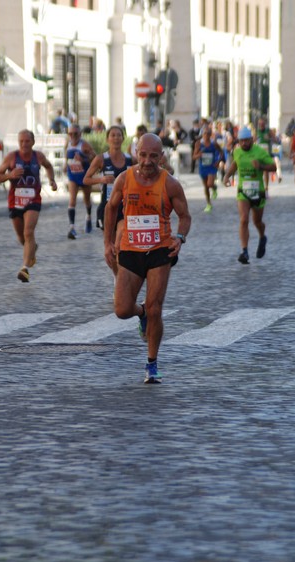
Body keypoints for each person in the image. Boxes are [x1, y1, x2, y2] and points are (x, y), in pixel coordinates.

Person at [104, 133, 191, 384]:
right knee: (121, 310)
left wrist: (180, 237)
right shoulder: (125, 179)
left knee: (156, 308)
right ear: (136, 154)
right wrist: (108, 243)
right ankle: (140, 312)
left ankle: (151, 364)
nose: (148, 161)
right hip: (130, 250)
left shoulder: (170, 184)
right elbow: (111, 208)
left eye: (154, 156)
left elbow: (185, 216)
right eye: (143, 155)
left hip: (160, 251)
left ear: (161, 157)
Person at [0, 129, 57, 282]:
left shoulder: (38, 156)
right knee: (22, 238)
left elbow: (49, 166)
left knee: (29, 232)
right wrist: (10, 175)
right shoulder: (11, 157)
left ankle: (24, 269)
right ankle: (32, 250)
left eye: (27, 141)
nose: (24, 144)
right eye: (21, 141)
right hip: (15, 201)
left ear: (33, 142)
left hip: (33, 200)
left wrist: (52, 181)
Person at [83, 125, 134, 279]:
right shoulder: (101, 159)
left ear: (123, 138)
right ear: (107, 139)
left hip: (125, 208)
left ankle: (120, 283)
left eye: (119, 135)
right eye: (113, 135)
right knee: (110, 248)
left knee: (119, 244)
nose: (116, 138)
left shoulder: (131, 159)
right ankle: (117, 278)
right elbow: (86, 179)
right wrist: (101, 179)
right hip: (107, 208)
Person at [223, 126, 276, 265]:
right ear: (239, 141)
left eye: (247, 140)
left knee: (257, 222)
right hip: (243, 192)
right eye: (242, 141)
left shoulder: (260, 152)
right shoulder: (237, 151)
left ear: (252, 139)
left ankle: (262, 237)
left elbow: (274, 167)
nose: (244, 143)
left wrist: (261, 167)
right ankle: (244, 251)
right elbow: (235, 163)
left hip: (258, 192)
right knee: (244, 220)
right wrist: (227, 175)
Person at [64, 124, 96, 239]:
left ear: (80, 134)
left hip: (84, 176)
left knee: (86, 199)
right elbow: (66, 156)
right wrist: (65, 165)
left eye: (75, 133)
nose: (73, 136)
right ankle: (72, 227)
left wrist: (84, 159)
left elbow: (95, 157)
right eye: (70, 134)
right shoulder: (67, 144)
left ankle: (88, 217)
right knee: (72, 200)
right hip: (72, 175)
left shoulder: (84, 145)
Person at [193, 125, 222, 212]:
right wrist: (199, 154)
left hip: (212, 167)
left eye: (208, 133)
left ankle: (214, 187)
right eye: (205, 133)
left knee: (209, 184)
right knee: (206, 187)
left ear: (210, 134)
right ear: (202, 134)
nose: (206, 135)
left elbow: (221, 153)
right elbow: (194, 157)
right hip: (203, 167)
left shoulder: (214, 144)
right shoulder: (198, 144)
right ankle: (209, 204)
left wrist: (218, 161)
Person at [255, 117, 272, 197]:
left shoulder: (268, 131)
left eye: (262, 124)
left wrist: (269, 138)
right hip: (258, 154)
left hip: (266, 155)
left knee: (266, 172)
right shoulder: (256, 132)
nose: (261, 125)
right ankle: (259, 189)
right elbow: (253, 141)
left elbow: (275, 139)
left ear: (265, 124)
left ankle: (266, 189)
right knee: (258, 172)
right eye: (259, 124)